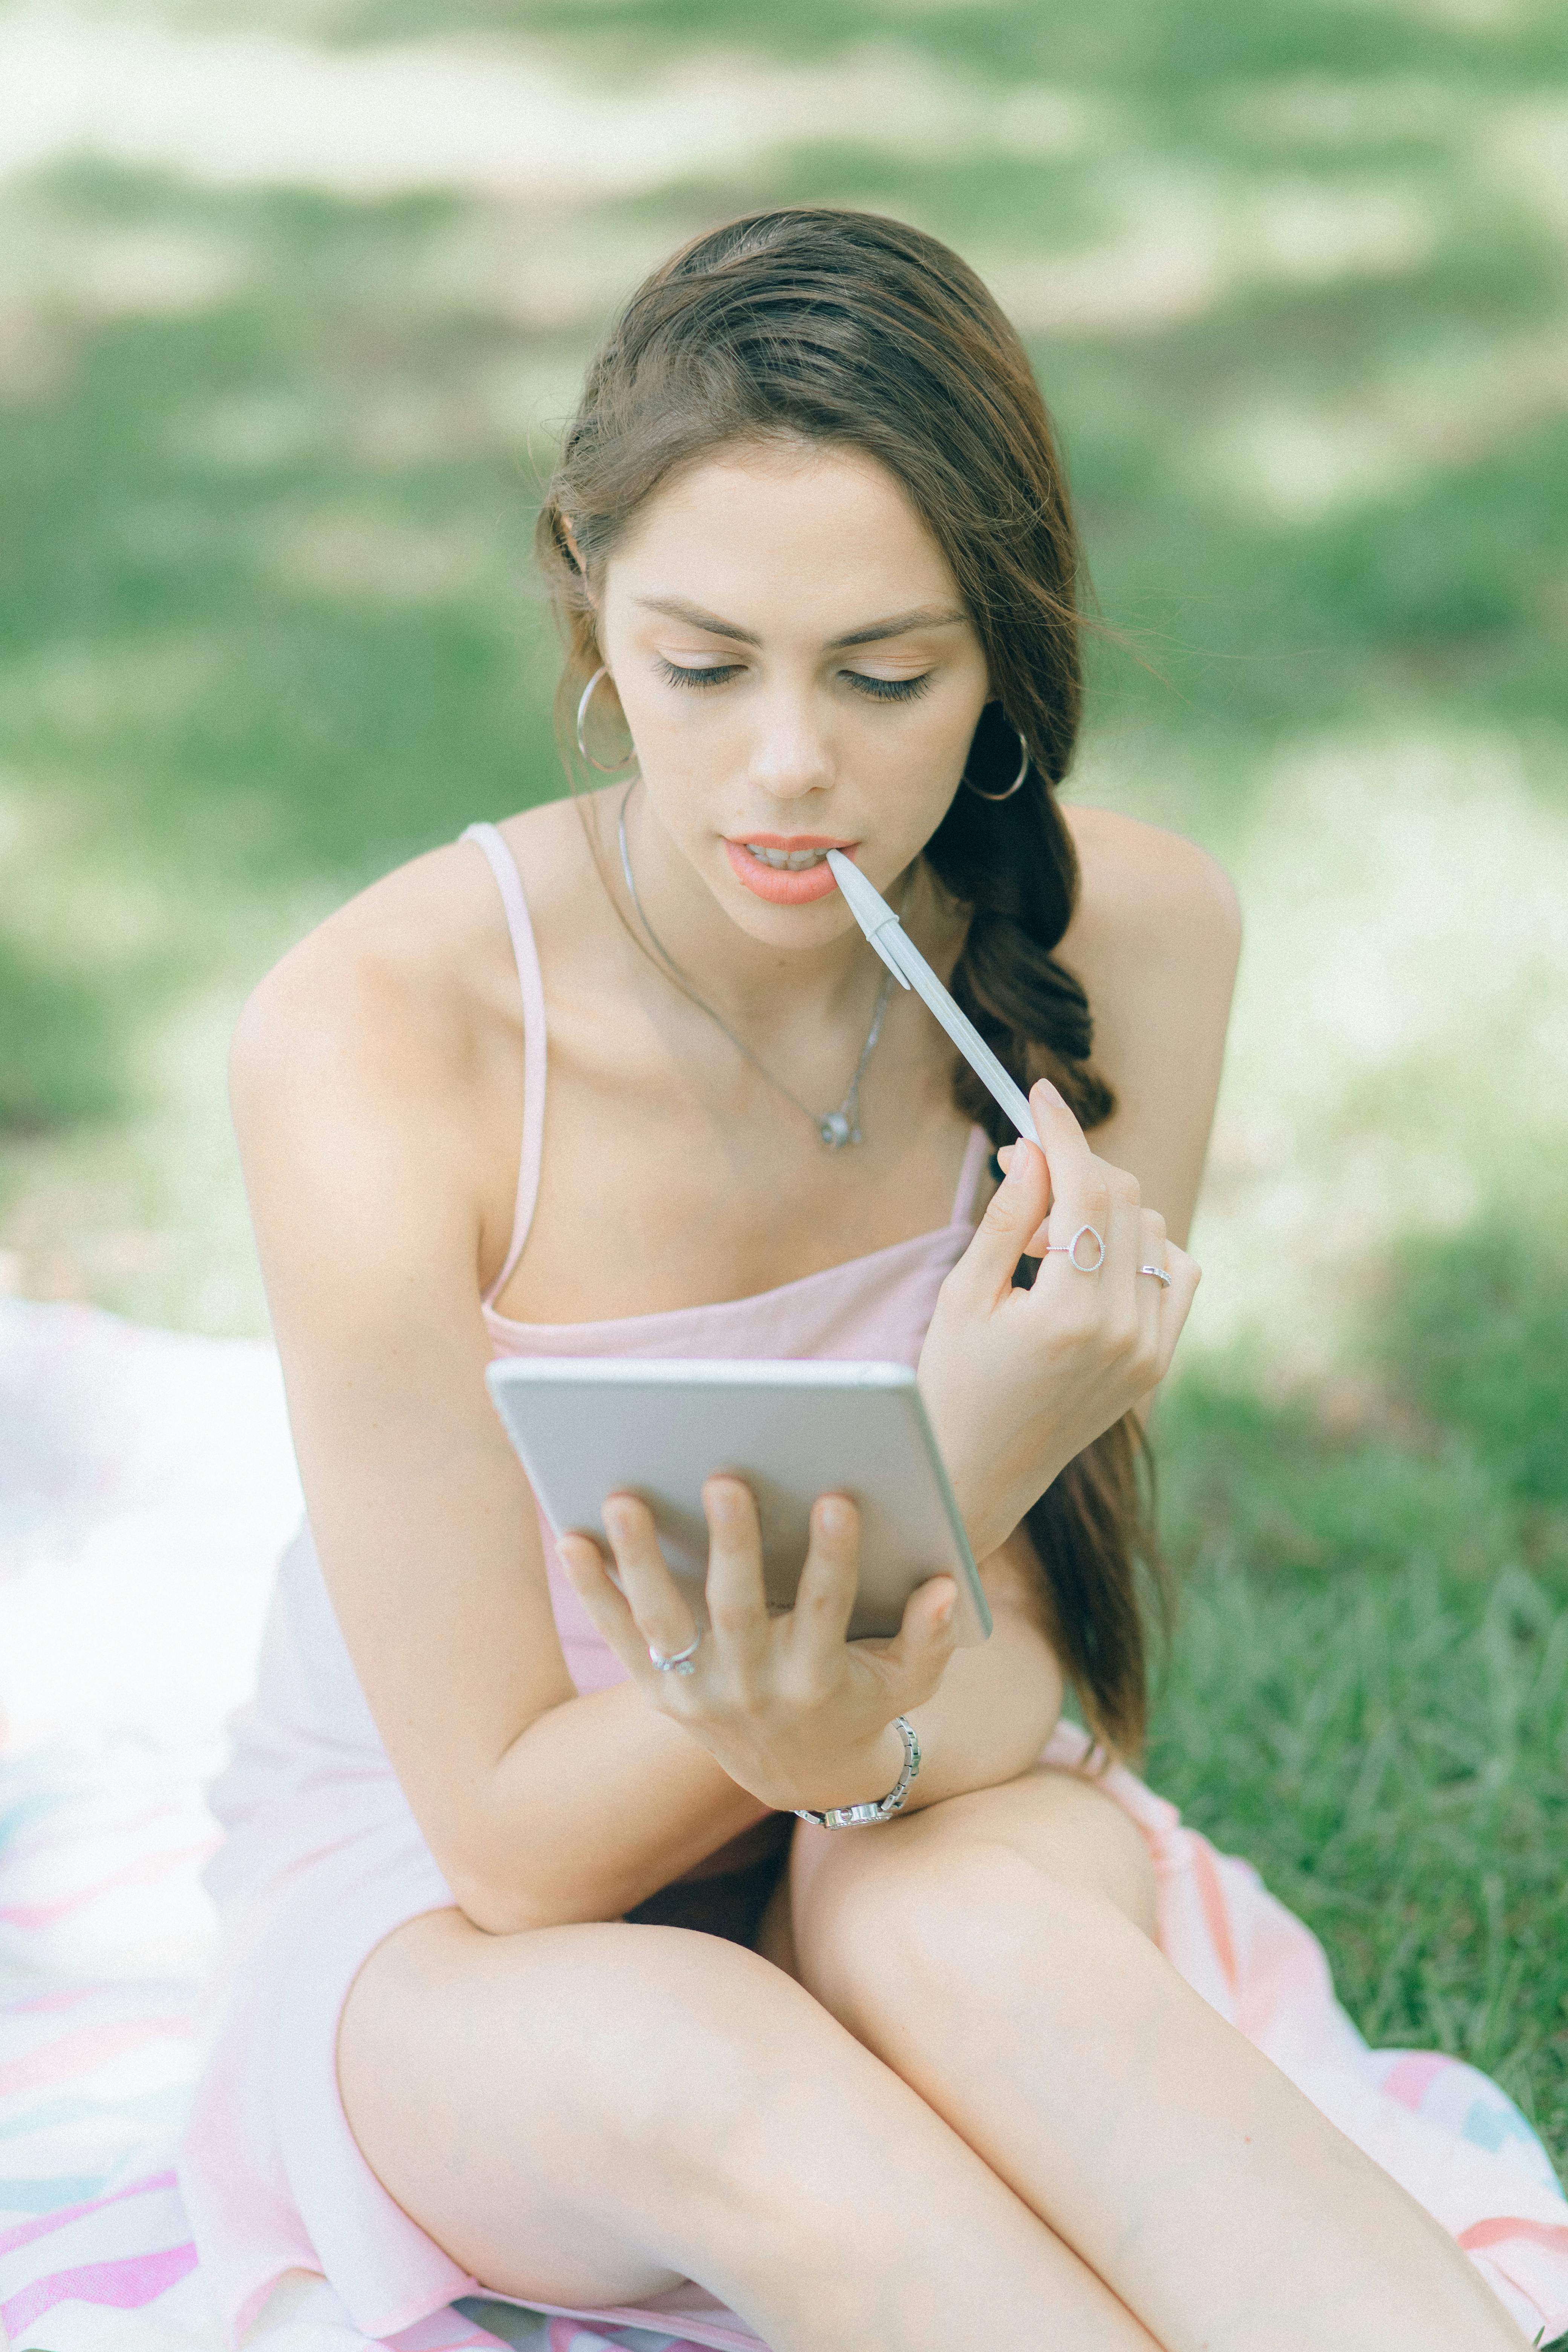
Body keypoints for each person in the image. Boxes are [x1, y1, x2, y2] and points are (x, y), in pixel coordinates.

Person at [178, 211, 1562, 2352]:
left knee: (971, 1960)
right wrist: (949, 1457)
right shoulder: (382, 1035)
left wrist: (858, 1748)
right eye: (703, 665)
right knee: (741, 2094)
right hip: (466, 1902)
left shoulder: (1140, 945)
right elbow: (523, 1851)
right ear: (588, 607)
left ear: (1005, 650)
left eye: (886, 674)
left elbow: (1036, 1673)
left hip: (928, 1787)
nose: (789, 768)